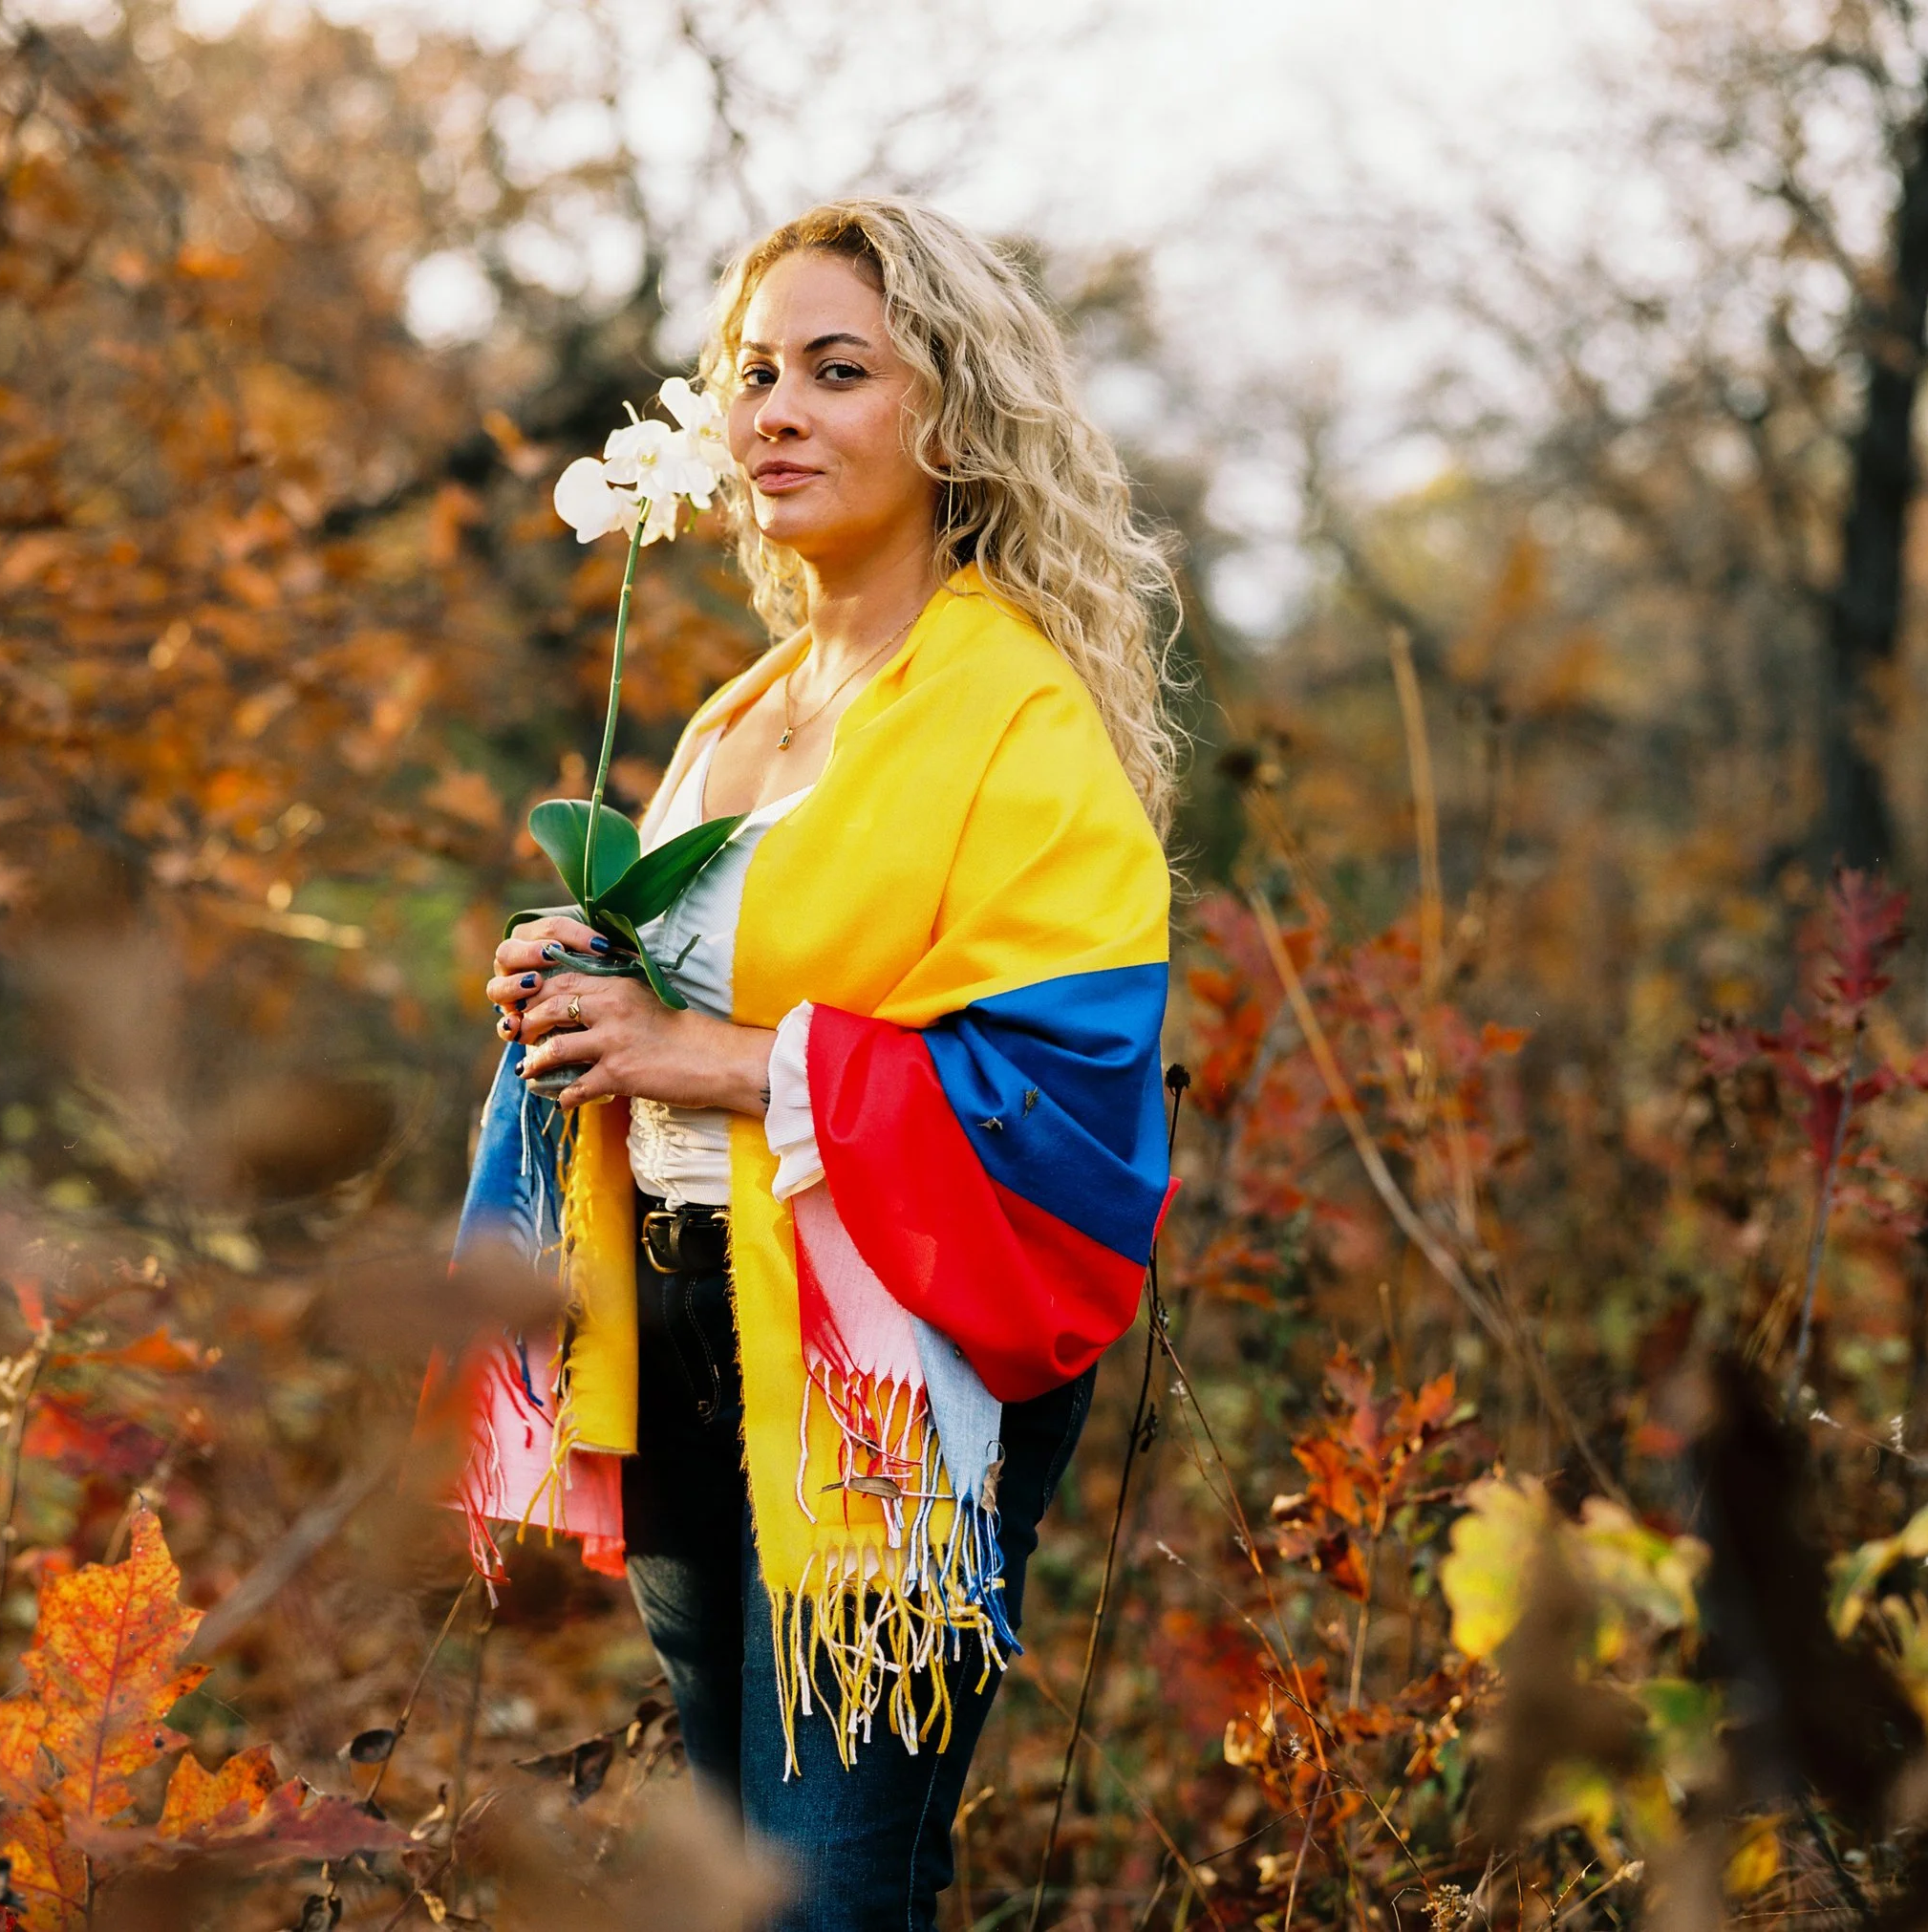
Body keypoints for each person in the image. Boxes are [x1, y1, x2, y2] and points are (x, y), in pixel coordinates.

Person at [458, 197, 1180, 1931]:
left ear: (951, 418)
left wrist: (701, 1052)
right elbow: (687, 1009)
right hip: (694, 1317)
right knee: (745, 1879)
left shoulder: (1012, 708)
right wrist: (577, 980)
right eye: (757, 371)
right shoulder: (739, 706)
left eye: (837, 371)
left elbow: (1062, 1079)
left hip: (889, 1357)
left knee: (827, 1892)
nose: (775, 409)